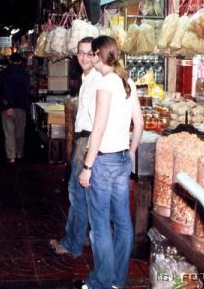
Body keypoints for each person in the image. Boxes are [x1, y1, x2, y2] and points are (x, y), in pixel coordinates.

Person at [76, 36, 143, 289]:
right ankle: (117, 280)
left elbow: (99, 128)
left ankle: (101, 283)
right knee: (123, 221)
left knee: (100, 225)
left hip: (103, 162)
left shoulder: (104, 84)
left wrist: (88, 166)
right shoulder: (127, 82)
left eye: (90, 54)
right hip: (123, 158)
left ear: (96, 55)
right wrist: (131, 152)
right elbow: (140, 124)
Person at [49, 37, 101, 256]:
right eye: (80, 53)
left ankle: (72, 244)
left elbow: (99, 119)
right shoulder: (87, 77)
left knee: (77, 194)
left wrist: (88, 151)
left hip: (87, 142)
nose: (84, 58)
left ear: (97, 55)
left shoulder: (98, 80)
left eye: (89, 53)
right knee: (84, 195)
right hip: (84, 140)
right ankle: (81, 236)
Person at [0, 53, 30, 163]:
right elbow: (27, 91)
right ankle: (19, 153)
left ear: (10, 61)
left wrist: (8, 105)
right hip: (21, 106)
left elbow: (3, 90)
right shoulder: (25, 74)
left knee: (9, 132)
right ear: (20, 61)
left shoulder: (4, 73)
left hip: (7, 106)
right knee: (20, 131)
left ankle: (11, 156)